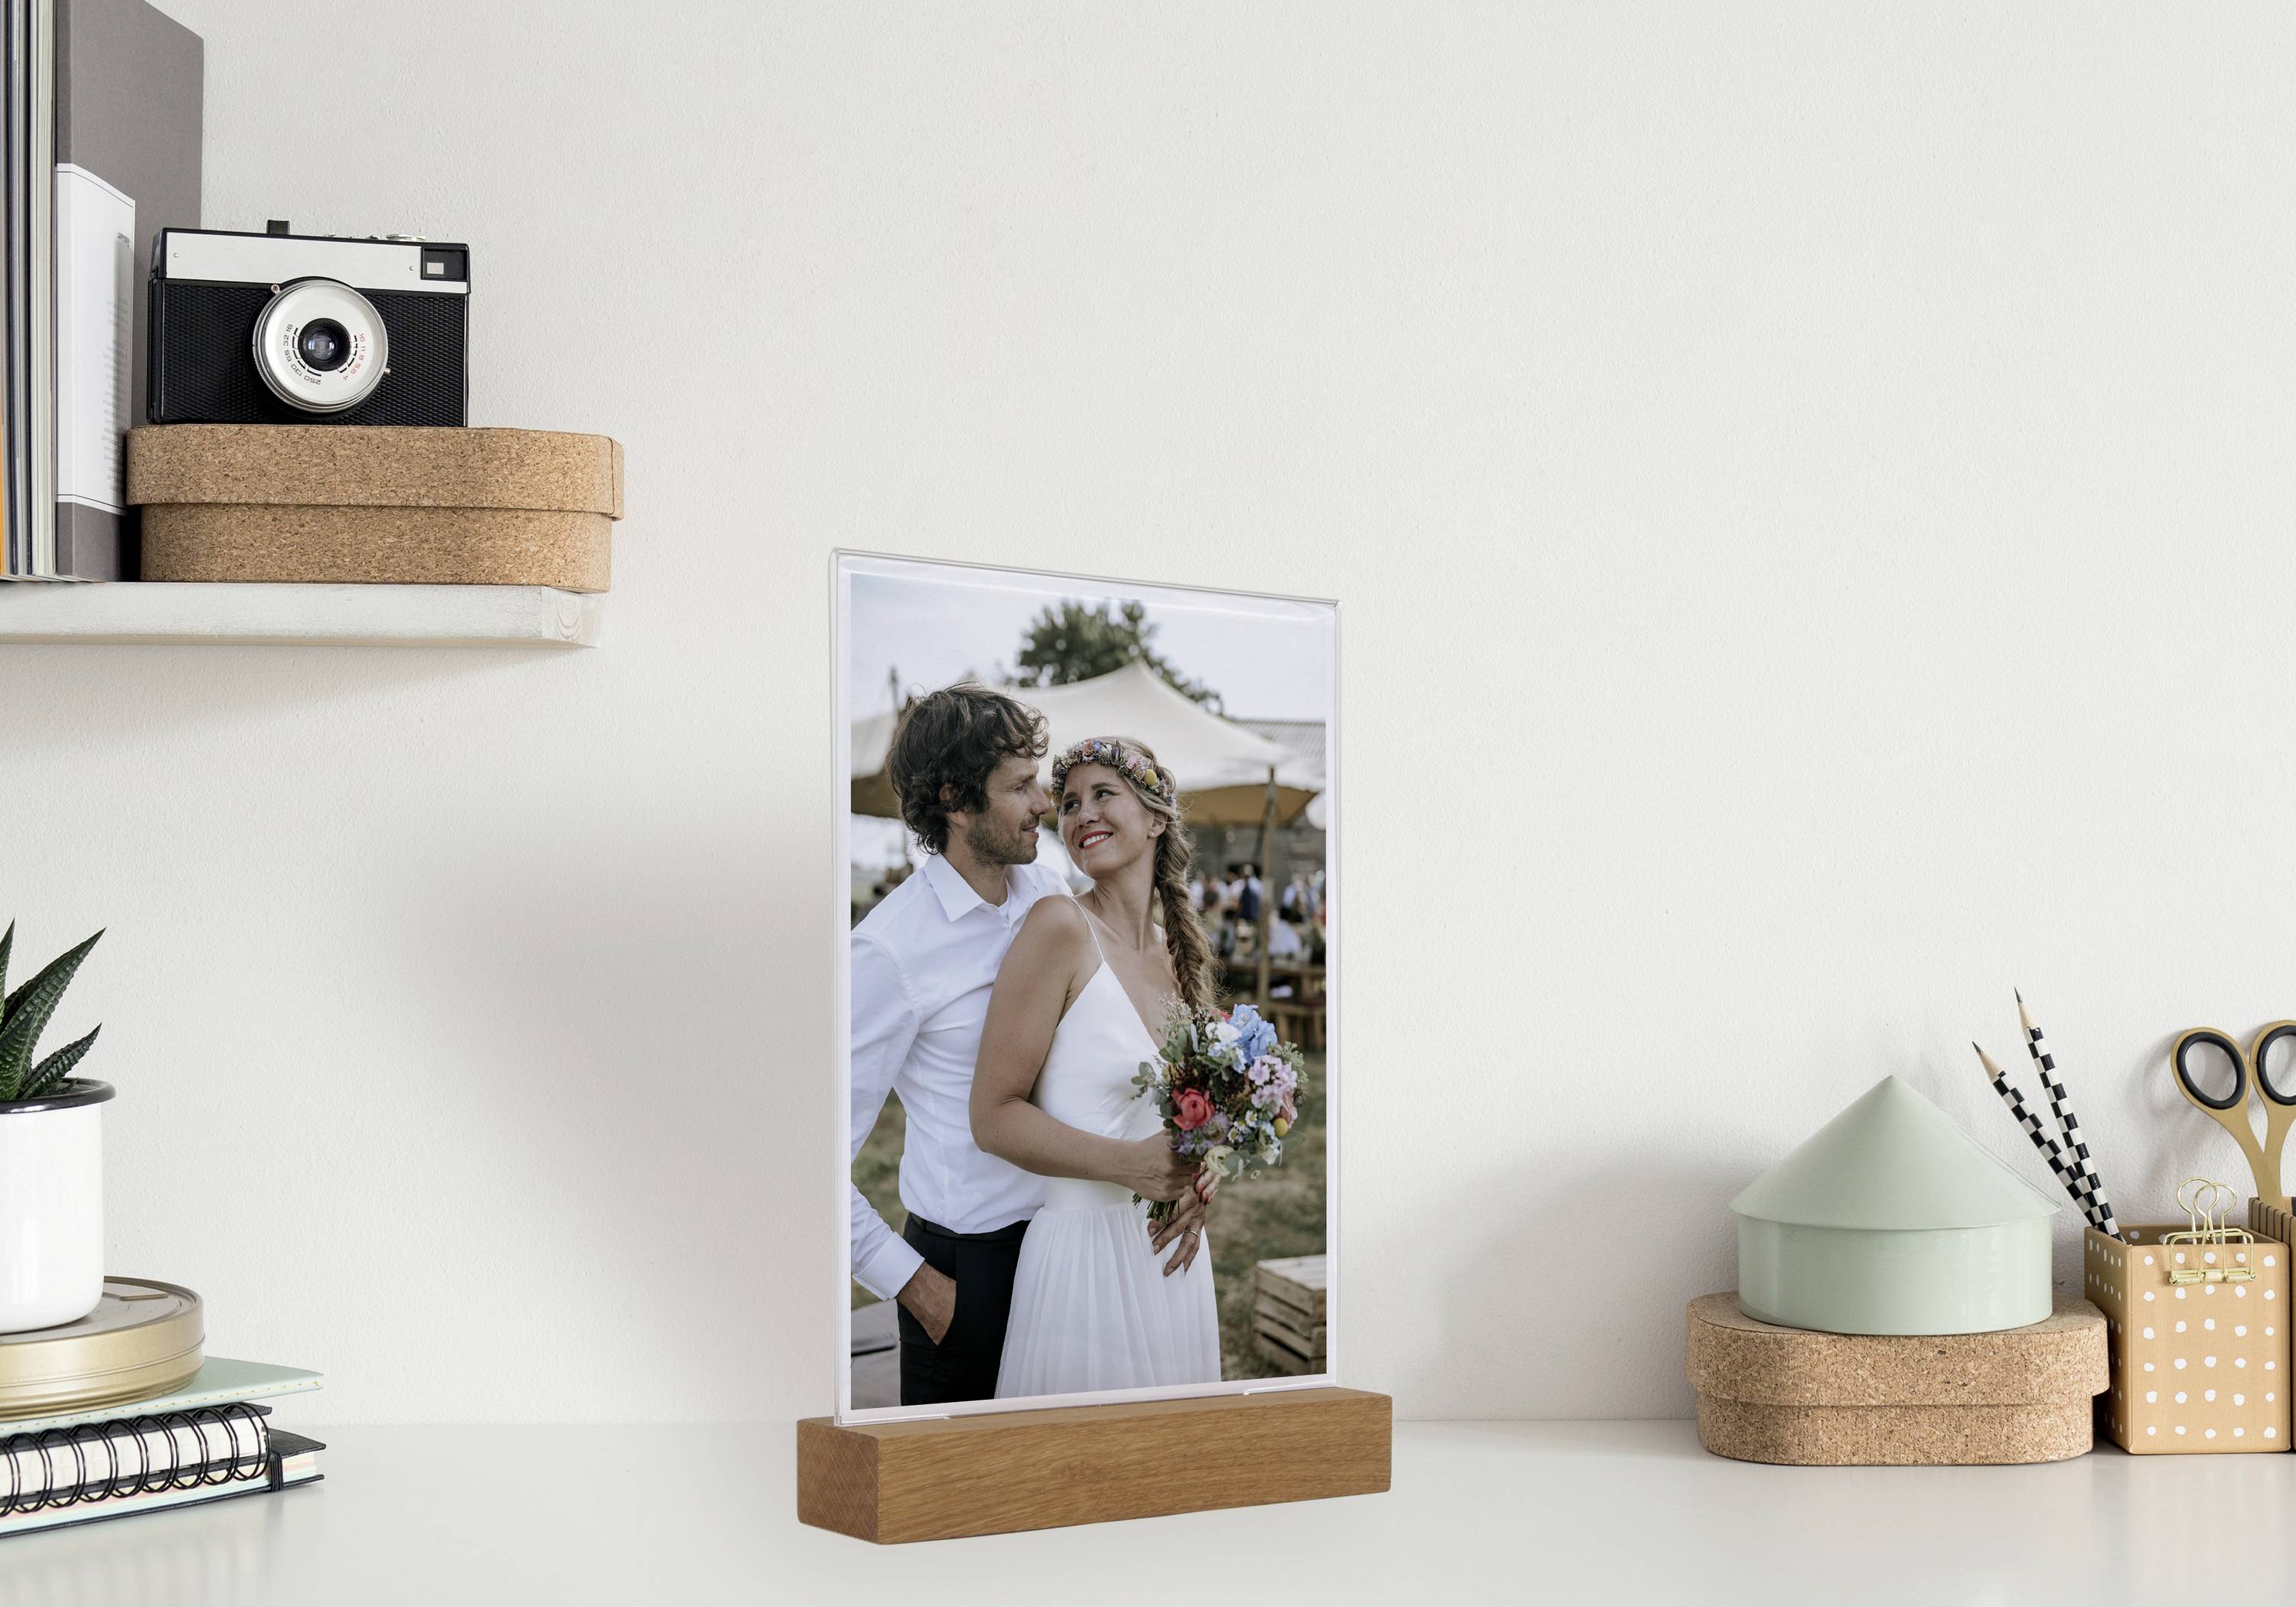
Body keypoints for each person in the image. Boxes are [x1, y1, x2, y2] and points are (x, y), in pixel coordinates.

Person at [850, 687, 1209, 1407]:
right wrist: (917, 1286)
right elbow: (809, 1158)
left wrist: (1193, 1172)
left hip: (1078, 1250)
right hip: (966, 1271)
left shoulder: (1049, 892)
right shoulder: (889, 951)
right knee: (971, 1500)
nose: (1046, 804)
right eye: (1020, 786)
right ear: (956, 800)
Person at [972, 737, 1224, 1397]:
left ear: (1157, 817)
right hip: (1082, 1266)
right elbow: (993, 1117)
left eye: (1103, 795)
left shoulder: (1180, 957)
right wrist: (1128, 1166)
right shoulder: (1058, 927)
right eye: (1070, 803)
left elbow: (1192, 1118)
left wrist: (1201, 1182)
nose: (1081, 814)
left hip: (1170, 1260)